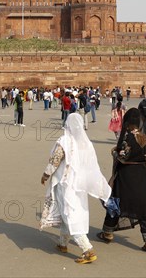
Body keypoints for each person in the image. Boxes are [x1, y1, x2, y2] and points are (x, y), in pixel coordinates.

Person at [40, 113, 111, 264]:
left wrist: (46, 174)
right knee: (70, 212)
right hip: (80, 185)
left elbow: (55, 159)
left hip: (66, 184)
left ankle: (88, 250)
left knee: (71, 215)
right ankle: (63, 243)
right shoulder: (85, 143)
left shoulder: (65, 141)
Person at [96, 108, 146, 253]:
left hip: (126, 175)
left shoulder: (128, 138)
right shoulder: (145, 137)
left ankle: (108, 233)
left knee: (116, 202)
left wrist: (114, 152)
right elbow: (142, 154)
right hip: (142, 173)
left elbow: (123, 157)